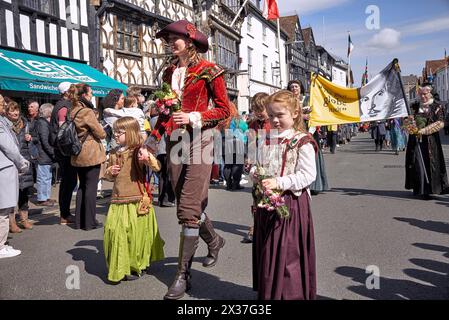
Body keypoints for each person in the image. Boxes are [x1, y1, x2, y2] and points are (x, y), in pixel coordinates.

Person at [150, 20, 233, 300]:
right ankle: (214, 239)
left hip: (200, 140)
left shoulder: (210, 71)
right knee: (188, 202)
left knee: (187, 206)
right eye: (169, 38)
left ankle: (182, 275)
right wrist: (151, 141)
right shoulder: (169, 71)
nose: (171, 42)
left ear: (192, 40)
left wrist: (195, 116)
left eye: (176, 37)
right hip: (176, 141)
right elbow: (164, 112)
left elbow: (223, 110)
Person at [251, 90, 317, 300]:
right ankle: (271, 294)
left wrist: (279, 182)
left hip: (291, 204)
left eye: (280, 115)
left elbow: (308, 175)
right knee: (269, 252)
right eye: (271, 115)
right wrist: (255, 173)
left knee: (288, 254)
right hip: (267, 202)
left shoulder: (302, 141)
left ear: (295, 113)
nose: (275, 120)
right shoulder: (266, 139)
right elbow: (257, 165)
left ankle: (290, 295)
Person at [103, 117, 164, 283]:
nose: (115, 135)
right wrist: (109, 171)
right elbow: (106, 176)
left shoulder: (138, 151)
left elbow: (157, 166)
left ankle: (135, 264)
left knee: (135, 236)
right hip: (117, 200)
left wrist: (148, 159)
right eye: (114, 131)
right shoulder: (114, 152)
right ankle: (120, 266)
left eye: (119, 132)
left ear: (129, 133)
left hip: (136, 200)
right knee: (116, 234)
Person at [69, 83, 106, 230]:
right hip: (90, 152)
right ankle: (90, 222)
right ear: (84, 95)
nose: (91, 95)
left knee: (82, 187)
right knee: (91, 187)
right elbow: (100, 133)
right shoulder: (87, 111)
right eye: (90, 93)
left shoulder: (73, 110)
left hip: (77, 152)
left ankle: (79, 221)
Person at [405, 83, 449, 199]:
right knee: (417, 163)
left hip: (431, 141)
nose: (423, 96)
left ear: (430, 93)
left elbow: (440, 123)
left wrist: (424, 131)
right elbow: (407, 121)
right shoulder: (414, 106)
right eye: (421, 94)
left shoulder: (437, 106)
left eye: (425, 94)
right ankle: (421, 189)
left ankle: (432, 188)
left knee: (432, 163)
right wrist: (410, 125)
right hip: (415, 139)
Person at [0, 96, 30, 258]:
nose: (4, 106)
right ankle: (0, 246)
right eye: (2, 104)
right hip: (4, 169)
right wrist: (22, 163)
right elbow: (9, 147)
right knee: (3, 209)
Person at [288, 79, 329, 195]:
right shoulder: (288, 101)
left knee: (312, 157)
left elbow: (316, 114)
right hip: (294, 131)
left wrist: (310, 118)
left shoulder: (308, 99)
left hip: (309, 131)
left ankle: (315, 185)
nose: (294, 89)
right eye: (292, 87)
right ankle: (297, 184)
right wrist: (301, 115)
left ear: (300, 88)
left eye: (296, 86)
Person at [242, 92, 270, 244]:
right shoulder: (252, 124)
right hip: (258, 166)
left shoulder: (273, 122)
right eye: (255, 109)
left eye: (261, 109)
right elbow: (251, 144)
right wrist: (249, 159)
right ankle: (255, 226)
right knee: (256, 196)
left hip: (272, 165)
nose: (258, 112)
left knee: (270, 196)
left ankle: (269, 226)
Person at [4, 100, 35, 232]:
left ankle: (24, 219)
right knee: (10, 194)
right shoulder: (5, 125)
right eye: (12, 110)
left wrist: (31, 138)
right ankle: (11, 223)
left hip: (24, 160)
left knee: (24, 193)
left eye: (16, 110)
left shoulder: (25, 124)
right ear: (7, 112)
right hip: (11, 161)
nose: (15, 112)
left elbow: (36, 141)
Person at [50, 82, 77, 225]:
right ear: (67, 92)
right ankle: (64, 214)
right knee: (68, 182)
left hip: (62, 150)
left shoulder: (61, 104)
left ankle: (65, 213)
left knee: (69, 182)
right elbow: (63, 130)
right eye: (72, 90)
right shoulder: (64, 107)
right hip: (65, 151)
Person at [35, 103, 56, 206]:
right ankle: (42, 198)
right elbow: (44, 141)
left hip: (46, 156)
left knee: (47, 177)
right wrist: (53, 152)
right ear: (49, 112)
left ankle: (46, 197)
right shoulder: (42, 123)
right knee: (43, 178)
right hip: (43, 155)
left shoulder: (44, 122)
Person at [223, 113, 248, 191]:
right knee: (237, 164)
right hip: (238, 143)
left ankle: (228, 184)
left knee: (228, 165)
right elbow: (246, 129)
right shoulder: (239, 121)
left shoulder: (224, 121)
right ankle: (235, 184)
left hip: (226, 142)